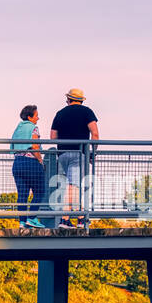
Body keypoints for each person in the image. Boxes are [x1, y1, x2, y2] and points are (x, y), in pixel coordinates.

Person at [49, 88, 99, 229]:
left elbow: (53, 137)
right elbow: (94, 134)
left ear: (68, 100)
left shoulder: (60, 113)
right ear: (81, 100)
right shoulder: (87, 112)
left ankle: (68, 219)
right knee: (74, 187)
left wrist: (59, 151)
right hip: (79, 152)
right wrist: (92, 153)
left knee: (70, 187)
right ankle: (76, 218)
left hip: (63, 153)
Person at [10, 105, 48, 228]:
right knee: (40, 191)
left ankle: (22, 221)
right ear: (30, 117)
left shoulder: (18, 129)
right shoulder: (33, 128)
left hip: (17, 163)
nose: (38, 118)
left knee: (22, 194)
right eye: (36, 115)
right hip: (31, 163)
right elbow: (35, 146)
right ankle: (32, 218)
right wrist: (40, 160)